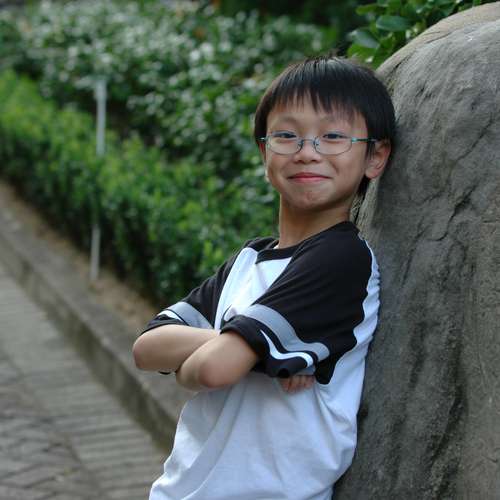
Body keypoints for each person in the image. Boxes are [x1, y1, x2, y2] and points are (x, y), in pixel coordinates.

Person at [133, 54, 395, 500]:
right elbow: (147, 347)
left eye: (333, 136)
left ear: (375, 156)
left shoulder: (341, 259)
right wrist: (258, 353)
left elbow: (212, 370)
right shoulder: (249, 260)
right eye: (286, 135)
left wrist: (207, 361)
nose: (307, 151)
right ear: (264, 151)